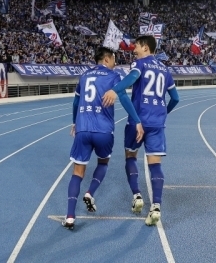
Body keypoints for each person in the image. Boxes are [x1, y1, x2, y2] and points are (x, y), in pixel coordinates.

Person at [101, 35, 180, 226]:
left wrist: (114, 89)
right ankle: (156, 206)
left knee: (130, 157)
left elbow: (132, 78)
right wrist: (163, 114)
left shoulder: (140, 64)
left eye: (136, 46)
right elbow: (175, 98)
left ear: (145, 47)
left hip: (137, 121)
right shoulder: (165, 69)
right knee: (155, 165)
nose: (133, 49)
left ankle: (137, 195)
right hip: (157, 123)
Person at [63, 46, 144, 230]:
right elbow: (123, 98)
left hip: (83, 129)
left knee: (77, 173)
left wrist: (75, 122)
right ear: (106, 59)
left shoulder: (83, 76)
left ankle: (69, 217)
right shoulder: (113, 77)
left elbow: (76, 101)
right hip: (104, 131)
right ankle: (90, 193)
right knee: (103, 163)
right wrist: (137, 121)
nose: (115, 63)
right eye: (114, 59)